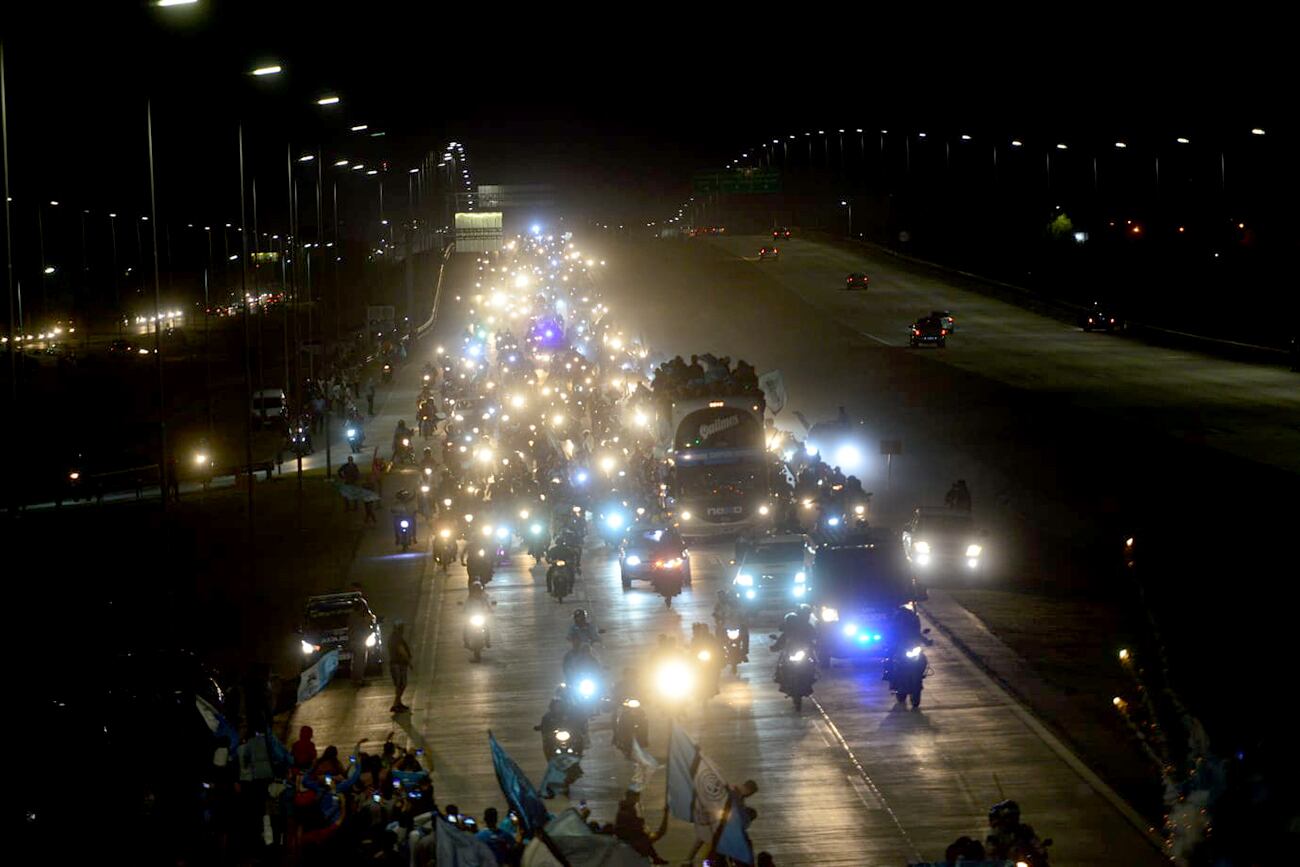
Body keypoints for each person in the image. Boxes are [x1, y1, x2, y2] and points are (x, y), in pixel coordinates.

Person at [389, 622, 413, 714]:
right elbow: (401, 651)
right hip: (398, 664)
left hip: (397, 664)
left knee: (400, 684)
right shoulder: (397, 639)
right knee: (401, 684)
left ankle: (398, 703)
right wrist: (409, 661)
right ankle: (396, 703)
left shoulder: (393, 638)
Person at [348, 599, 371, 685]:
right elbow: (367, 625)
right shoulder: (359, 617)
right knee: (360, 661)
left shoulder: (351, 616)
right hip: (359, 641)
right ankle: (359, 679)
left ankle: (355, 679)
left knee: (355, 661)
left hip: (354, 641)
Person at [465, 581, 493, 648]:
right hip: (472, 616)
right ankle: (466, 642)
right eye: (475, 591)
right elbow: (465, 606)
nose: (476, 593)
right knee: (466, 628)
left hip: (481, 615)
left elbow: (487, 605)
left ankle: (487, 641)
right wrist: (464, 611)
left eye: (478, 591)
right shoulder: (470, 599)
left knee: (486, 627)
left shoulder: (483, 599)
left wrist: (490, 610)